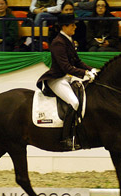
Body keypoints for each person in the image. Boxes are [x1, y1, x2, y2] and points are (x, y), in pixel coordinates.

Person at [37, 14, 97, 149]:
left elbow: (77, 61)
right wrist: (85, 73)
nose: (75, 27)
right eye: (72, 25)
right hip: (56, 79)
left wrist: (92, 69)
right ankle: (66, 138)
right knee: (74, 102)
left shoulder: (68, 39)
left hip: (66, 79)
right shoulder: (58, 42)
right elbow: (66, 67)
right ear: (64, 27)